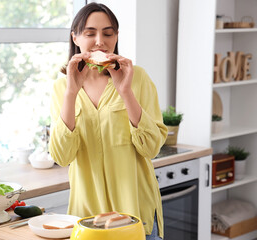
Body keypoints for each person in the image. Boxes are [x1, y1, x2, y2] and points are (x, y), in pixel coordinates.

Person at [49, 3, 167, 240]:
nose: (99, 41)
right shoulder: (62, 87)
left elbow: (151, 148)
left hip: (135, 215)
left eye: (108, 33)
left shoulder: (138, 78)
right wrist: (72, 93)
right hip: (87, 220)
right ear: (75, 37)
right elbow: (62, 156)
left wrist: (126, 91)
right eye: (90, 33)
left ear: (116, 37)